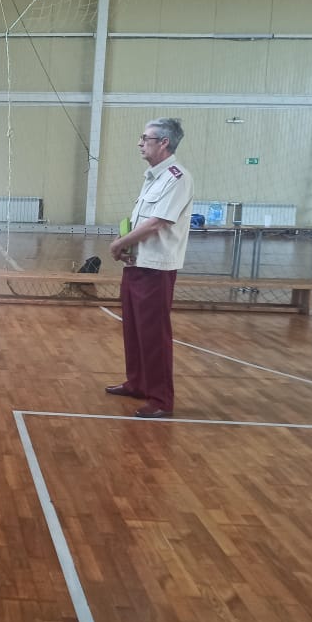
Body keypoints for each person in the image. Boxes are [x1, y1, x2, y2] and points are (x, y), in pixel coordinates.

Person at [107, 118, 194, 419]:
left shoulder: (177, 178)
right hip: (137, 263)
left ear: (164, 143)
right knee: (133, 329)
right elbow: (141, 221)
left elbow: (157, 223)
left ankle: (160, 399)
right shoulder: (153, 177)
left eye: (146, 138)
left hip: (156, 268)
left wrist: (118, 244)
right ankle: (137, 383)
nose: (140, 143)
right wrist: (126, 246)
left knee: (154, 335)